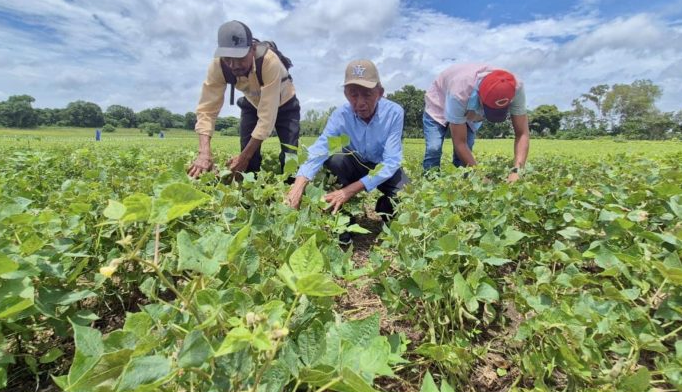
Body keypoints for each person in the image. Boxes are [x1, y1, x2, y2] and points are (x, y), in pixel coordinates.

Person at [285, 59, 407, 240]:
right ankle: (342, 219)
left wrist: (348, 191)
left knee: (406, 198)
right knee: (336, 160)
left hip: (382, 167)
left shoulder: (394, 113)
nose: (360, 102)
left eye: (367, 94)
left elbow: (390, 162)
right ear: (345, 94)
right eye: (353, 94)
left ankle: (385, 207)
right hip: (353, 165)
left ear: (380, 93)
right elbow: (320, 149)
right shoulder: (340, 116)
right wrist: (297, 186)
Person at [187, 20, 300, 178]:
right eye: (228, 59)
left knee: (290, 156)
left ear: (252, 49)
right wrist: (204, 153)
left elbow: (267, 118)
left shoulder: (269, 61)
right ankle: (249, 187)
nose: (234, 65)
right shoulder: (218, 66)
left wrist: (244, 156)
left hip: (285, 104)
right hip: (252, 103)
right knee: (248, 160)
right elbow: (207, 110)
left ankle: (292, 187)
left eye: (240, 58)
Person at [422, 64, 529, 182]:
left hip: (468, 108)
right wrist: (480, 176)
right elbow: (459, 142)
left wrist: (517, 171)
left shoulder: (516, 87)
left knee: (463, 158)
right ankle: (429, 181)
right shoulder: (459, 92)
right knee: (434, 148)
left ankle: (460, 182)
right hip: (439, 102)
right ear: (480, 98)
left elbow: (522, 132)